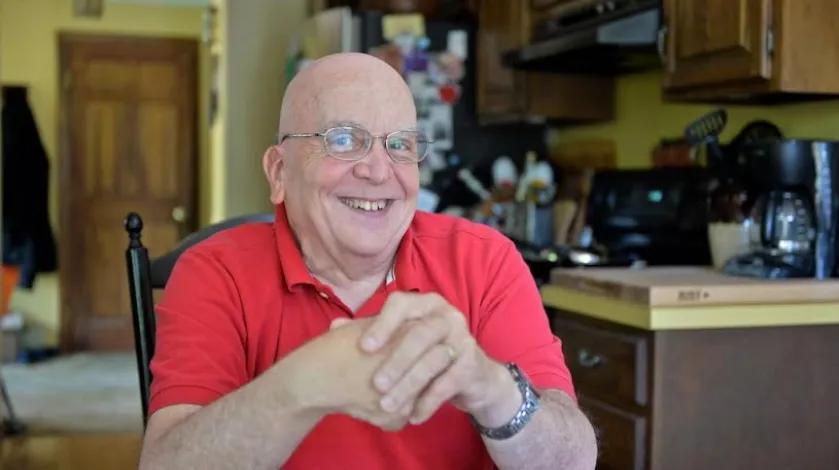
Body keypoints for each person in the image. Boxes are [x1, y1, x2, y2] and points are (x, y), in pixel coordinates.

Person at [137, 52, 597, 470]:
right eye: (343, 140)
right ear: (279, 172)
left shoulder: (485, 261)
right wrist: (305, 382)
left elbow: (573, 461)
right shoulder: (216, 271)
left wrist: (489, 386)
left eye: (399, 145)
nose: (378, 171)